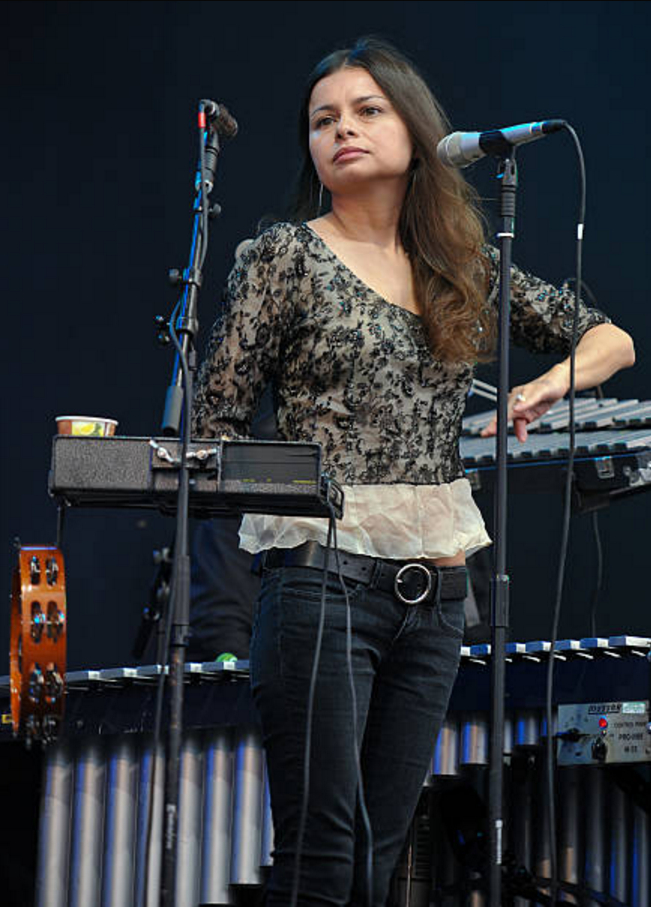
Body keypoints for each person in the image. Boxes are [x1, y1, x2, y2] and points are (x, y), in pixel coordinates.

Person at [192, 37, 634, 907]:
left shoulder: (457, 263)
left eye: (366, 111)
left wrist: (547, 382)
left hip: (431, 595)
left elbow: (610, 339)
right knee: (320, 857)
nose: (342, 130)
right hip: (321, 582)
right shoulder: (284, 256)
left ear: (417, 132)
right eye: (324, 120)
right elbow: (215, 429)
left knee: (380, 859)